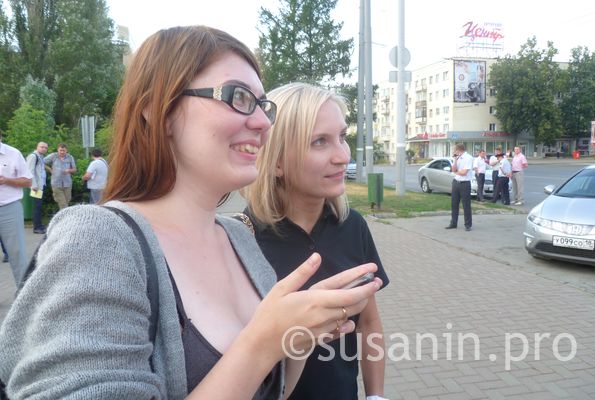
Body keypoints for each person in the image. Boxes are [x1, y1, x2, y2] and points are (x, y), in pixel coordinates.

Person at [0, 26, 382, 400]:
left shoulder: (239, 239)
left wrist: (296, 338)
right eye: (238, 97)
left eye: (263, 106)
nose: (264, 122)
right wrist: (263, 342)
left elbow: (273, 390)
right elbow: (257, 352)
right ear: (159, 111)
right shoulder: (98, 241)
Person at [242, 83, 390, 400]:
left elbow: (369, 323)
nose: (343, 156)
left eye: (342, 137)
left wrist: (376, 396)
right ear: (276, 161)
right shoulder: (242, 238)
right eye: (319, 141)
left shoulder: (353, 227)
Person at [0, 130, 33, 287]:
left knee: (17, 253)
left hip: (9, 208)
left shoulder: (13, 153)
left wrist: (6, 180)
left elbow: (28, 181)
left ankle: (24, 294)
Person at [446, 143, 473, 231]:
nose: (453, 151)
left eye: (454, 150)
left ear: (458, 150)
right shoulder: (457, 157)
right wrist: (455, 159)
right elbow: (453, 169)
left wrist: (456, 172)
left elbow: (464, 172)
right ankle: (453, 223)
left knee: (466, 204)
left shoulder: (468, 158)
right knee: (454, 204)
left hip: (465, 183)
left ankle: (468, 224)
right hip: (456, 182)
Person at [44, 143, 76, 209]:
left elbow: (74, 169)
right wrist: (49, 169)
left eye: (64, 150)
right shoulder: (53, 156)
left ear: (66, 150)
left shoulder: (70, 157)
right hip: (56, 183)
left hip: (67, 183)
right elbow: (42, 162)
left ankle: (62, 214)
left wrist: (69, 170)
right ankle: (66, 215)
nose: (62, 152)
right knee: (63, 203)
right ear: (57, 150)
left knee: (66, 201)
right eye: (60, 150)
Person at [26, 141, 49, 233]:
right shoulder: (33, 156)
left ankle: (39, 225)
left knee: (39, 206)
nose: (44, 149)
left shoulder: (40, 157)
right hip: (36, 186)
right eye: (42, 147)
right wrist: (33, 185)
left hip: (41, 185)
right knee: (37, 206)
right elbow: (29, 171)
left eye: (45, 147)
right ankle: (37, 228)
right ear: (37, 147)